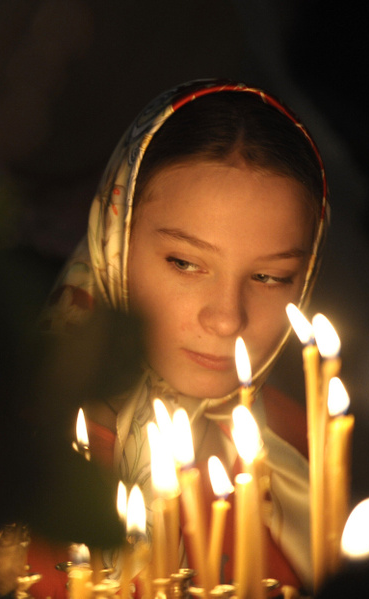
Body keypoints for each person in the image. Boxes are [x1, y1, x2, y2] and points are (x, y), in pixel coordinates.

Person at [37, 79, 330, 594]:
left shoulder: (306, 446)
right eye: (186, 263)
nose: (225, 318)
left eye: (269, 277)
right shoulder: (23, 459)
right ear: (115, 240)